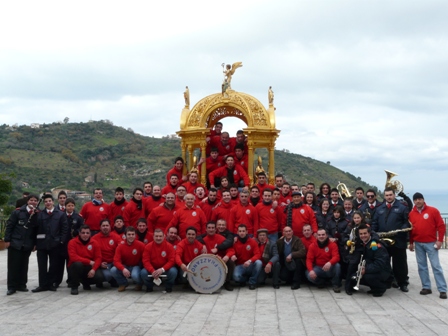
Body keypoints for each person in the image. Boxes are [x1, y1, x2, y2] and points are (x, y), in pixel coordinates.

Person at [409, 192, 447, 299]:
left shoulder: (433, 211)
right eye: (416, 199)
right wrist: (411, 243)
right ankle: (426, 287)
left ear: (423, 200)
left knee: (436, 266)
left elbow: (441, 226)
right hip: (418, 243)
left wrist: (440, 240)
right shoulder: (411, 214)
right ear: (414, 201)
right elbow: (411, 230)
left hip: (431, 243)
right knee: (422, 266)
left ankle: (442, 289)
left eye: (420, 199)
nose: (418, 201)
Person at [372, 187, 410, 292]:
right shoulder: (379, 208)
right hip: (383, 240)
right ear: (384, 196)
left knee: (400, 263)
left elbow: (406, 222)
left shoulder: (402, 207)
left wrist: (400, 230)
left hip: (398, 240)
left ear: (394, 195)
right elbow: (375, 222)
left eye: (390, 195)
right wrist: (374, 234)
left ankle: (402, 283)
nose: (389, 197)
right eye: (387, 195)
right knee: (384, 262)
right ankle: (387, 281)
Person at [33, 194, 68, 292]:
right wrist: (35, 243)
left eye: (49, 201)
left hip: (55, 244)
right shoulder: (39, 214)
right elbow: (35, 229)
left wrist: (61, 240)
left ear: (53, 202)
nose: (48, 203)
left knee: (54, 265)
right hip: (42, 244)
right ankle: (42, 285)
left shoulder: (60, 214)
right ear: (44, 203)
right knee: (42, 265)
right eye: (46, 202)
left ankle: (51, 283)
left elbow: (64, 229)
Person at [5, 194, 39, 295]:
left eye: (35, 200)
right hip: (15, 243)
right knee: (13, 266)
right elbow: (10, 226)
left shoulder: (36, 214)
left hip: (27, 244)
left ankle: (22, 285)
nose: (33, 202)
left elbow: (35, 231)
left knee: (24, 265)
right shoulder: (18, 212)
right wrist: (7, 240)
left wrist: (34, 244)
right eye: (31, 200)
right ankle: (12, 286)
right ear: (27, 201)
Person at [347, 224, 392, 297]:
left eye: (365, 233)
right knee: (354, 276)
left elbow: (380, 264)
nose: (363, 235)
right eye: (361, 234)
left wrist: (366, 270)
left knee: (368, 277)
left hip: (383, 271)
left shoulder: (377, 246)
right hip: (372, 268)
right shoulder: (363, 243)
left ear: (369, 233)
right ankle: (374, 287)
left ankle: (381, 288)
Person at [53, 197, 84, 288]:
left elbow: (81, 228)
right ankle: (57, 281)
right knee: (59, 264)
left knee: (71, 263)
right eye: (68, 206)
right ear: (65, 206)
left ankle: (71, 280)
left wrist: (77, 232)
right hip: (62, 243)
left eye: (72, 206)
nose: (70, 207)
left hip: (73, 242)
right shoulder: (60, 215)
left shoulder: (78, 217)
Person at [67, 225, 104, 295]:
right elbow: (73, 257)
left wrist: (94, 269)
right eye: (83, 233)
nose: (85, 235)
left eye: (87, 233)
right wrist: (89, 261)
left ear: (90, 234)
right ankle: (74, 286)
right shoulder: (72, 242)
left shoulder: (95, 243)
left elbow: (98, 258)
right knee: (78, 265)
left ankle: (85, 282)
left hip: (89, 267)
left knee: (100, 277)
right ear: (79, 233)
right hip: (75, 266)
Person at [198, 221, 235, 291]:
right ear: (206, 229)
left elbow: (231, 250)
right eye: (209, 228)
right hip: (207, 264)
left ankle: (227, 282)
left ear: (216, 229)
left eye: (213, 228)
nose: (211, 230)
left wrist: (227, 256)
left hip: (220, 261)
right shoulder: (202, 240)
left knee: (230, 262)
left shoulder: (221, 238)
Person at [110, 227, 146, 292]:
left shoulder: (141, 245)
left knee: (135, 275)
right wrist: (123, 269)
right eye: (129, 234)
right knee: (113, 270)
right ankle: (123, 284)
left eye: (132, 234)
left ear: (135, 235)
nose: (131, 236)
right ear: (125, 235)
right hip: (125, 266)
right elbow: (116, 261)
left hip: (136, 266)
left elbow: (145, 258)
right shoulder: (120, 246)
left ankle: (140, 284)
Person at [306, 228, 341, 293]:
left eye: (323, 235)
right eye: (319, 235)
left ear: (326, 235)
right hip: (318, 268)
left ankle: (336, 285)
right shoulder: (312, 246)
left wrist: (330, 263)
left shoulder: (333, 244)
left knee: (337, 266)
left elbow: (336, 257)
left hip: (330, 267)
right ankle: (321, 282)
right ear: (316, 236)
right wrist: (311, 270)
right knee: (308, 275)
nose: (321, 236)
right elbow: (309, 260)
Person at [230, 224, 262, 290]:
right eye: (240, 231)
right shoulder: (234, 243)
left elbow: (258, 254)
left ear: (247, 232)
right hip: (240, 266)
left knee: (259, 263)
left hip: (251, 264)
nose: (242, 233)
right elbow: (231, 251)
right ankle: (244, 280)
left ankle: (252, 282)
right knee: (236, 277)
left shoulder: (253, 242)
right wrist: (232, 255)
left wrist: (250, 261)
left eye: (243, 231)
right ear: (237, 232)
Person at [91, 219, 121, 287]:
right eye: (103, 226)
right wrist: (99, 263)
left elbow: (121, 250)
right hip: (102, 264)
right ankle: (105, 280)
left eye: (107, 225)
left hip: (114, 262)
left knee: (115, 271)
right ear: (100, 227)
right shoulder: (94, 238)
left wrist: (116, 261)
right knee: (108, 276)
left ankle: (114, 280)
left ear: (110, 226)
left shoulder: (116, 237)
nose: (105, 227)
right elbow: (91, 254)